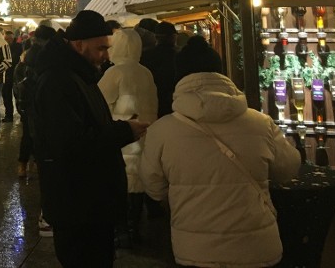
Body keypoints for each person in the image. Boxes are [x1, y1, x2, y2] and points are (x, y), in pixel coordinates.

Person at [140, 36, 301, 268]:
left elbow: (154, 188)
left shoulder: (162, 131)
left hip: (194, 249)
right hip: (257, 248)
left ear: (180, 77)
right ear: (221, 75)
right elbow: (288, 169)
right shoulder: (261, 124)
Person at [32, 10, 148, 267]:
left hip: (89, 204)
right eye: (101, 49)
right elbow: (70, 144)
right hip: (78, 205)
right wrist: (123, 132)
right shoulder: (59, 80)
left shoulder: (78, 74)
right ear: (79, 44)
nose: (106, 56)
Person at [97, 28, 158, 247]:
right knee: (138, 183)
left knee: (122, 183)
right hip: (144, 133)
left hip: (123, 136)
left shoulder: (115, 73)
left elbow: (101, 102)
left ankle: (122, 229)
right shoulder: (146, 72)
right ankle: (134, 228)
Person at [13, 24, 55, 179]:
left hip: (27, 100)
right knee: (38, 133)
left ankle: (23, 165)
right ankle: (34, 163)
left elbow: (18, 77)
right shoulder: (45, 54)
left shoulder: (27, 54)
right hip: (38, 99)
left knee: (28, 134)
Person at [140, 20, 178, 118]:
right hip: (176, 99)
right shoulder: (180, 56)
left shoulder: (145, 56)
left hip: (154, 101)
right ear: (173, 37)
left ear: (156, 37)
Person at [2, 30, 22, 122]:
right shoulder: (2, 47)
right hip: (6, 74)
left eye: (9, 39)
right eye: (6, 38)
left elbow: (15, 59)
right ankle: (8, 115)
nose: (7, 40)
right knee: (6, 95)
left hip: (14, 74)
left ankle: (21, 114)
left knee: (17, 95)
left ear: (12, 38)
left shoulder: (17, 47)